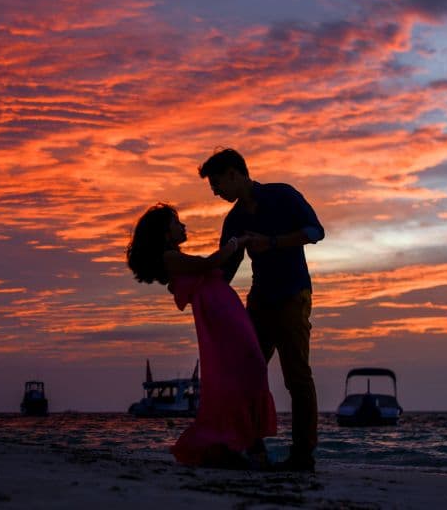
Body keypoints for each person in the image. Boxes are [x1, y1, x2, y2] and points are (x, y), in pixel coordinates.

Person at [199, 148, 324, 472]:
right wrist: (198, 287)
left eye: (216, 183)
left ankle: (303, 453)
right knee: (244, 373)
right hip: (258, 301)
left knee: (296, 375)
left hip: (293, 295)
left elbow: (315, 232)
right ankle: (250, 446)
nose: (215, 191)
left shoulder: (282, 195)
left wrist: (271, 242)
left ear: (234, 174)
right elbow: (226, 269)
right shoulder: (234, 220)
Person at [126, 203, 277, 468]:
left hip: (224, 310)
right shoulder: (169, 258)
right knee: (248, 370)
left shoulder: (174, 257)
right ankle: (246, 449)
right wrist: (235, 242)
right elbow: (210, 263)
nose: (182, 226)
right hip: (219, 315)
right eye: (176, 223)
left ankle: (243, 448)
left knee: (250, 370)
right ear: (164, 233)